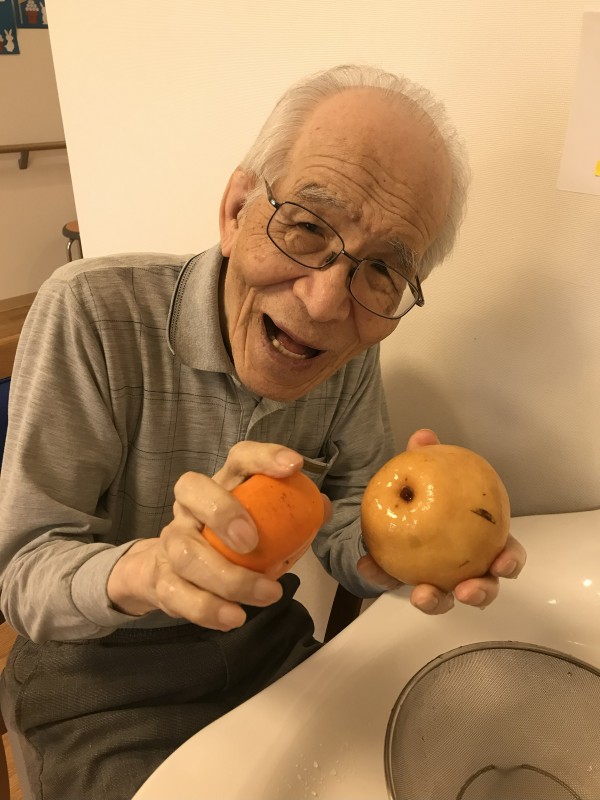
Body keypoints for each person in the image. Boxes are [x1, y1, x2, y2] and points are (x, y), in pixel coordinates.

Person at [0, 64, 526, 799]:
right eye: (307, 226)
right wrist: (151, 570)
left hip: (262, 646)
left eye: (382, 269)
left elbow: (344, 512)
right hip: (98, 681)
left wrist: (387, 556)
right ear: (236, 209)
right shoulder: (90, 312)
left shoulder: (351, 348)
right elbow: (24, 568)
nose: (325, 301)